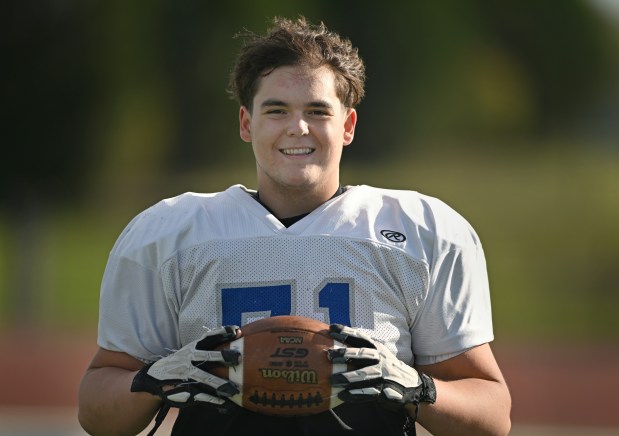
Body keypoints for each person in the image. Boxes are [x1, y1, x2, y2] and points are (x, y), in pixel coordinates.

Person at [78, 16, 511, 436]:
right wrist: (157, 380)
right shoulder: (169, 235)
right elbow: (98, 412)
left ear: (348, 125)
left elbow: (491, 415)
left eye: (318, 111)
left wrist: (418, 388)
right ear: (248, 124)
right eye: (277, 110)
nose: (297, 127)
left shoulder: (419, 231)